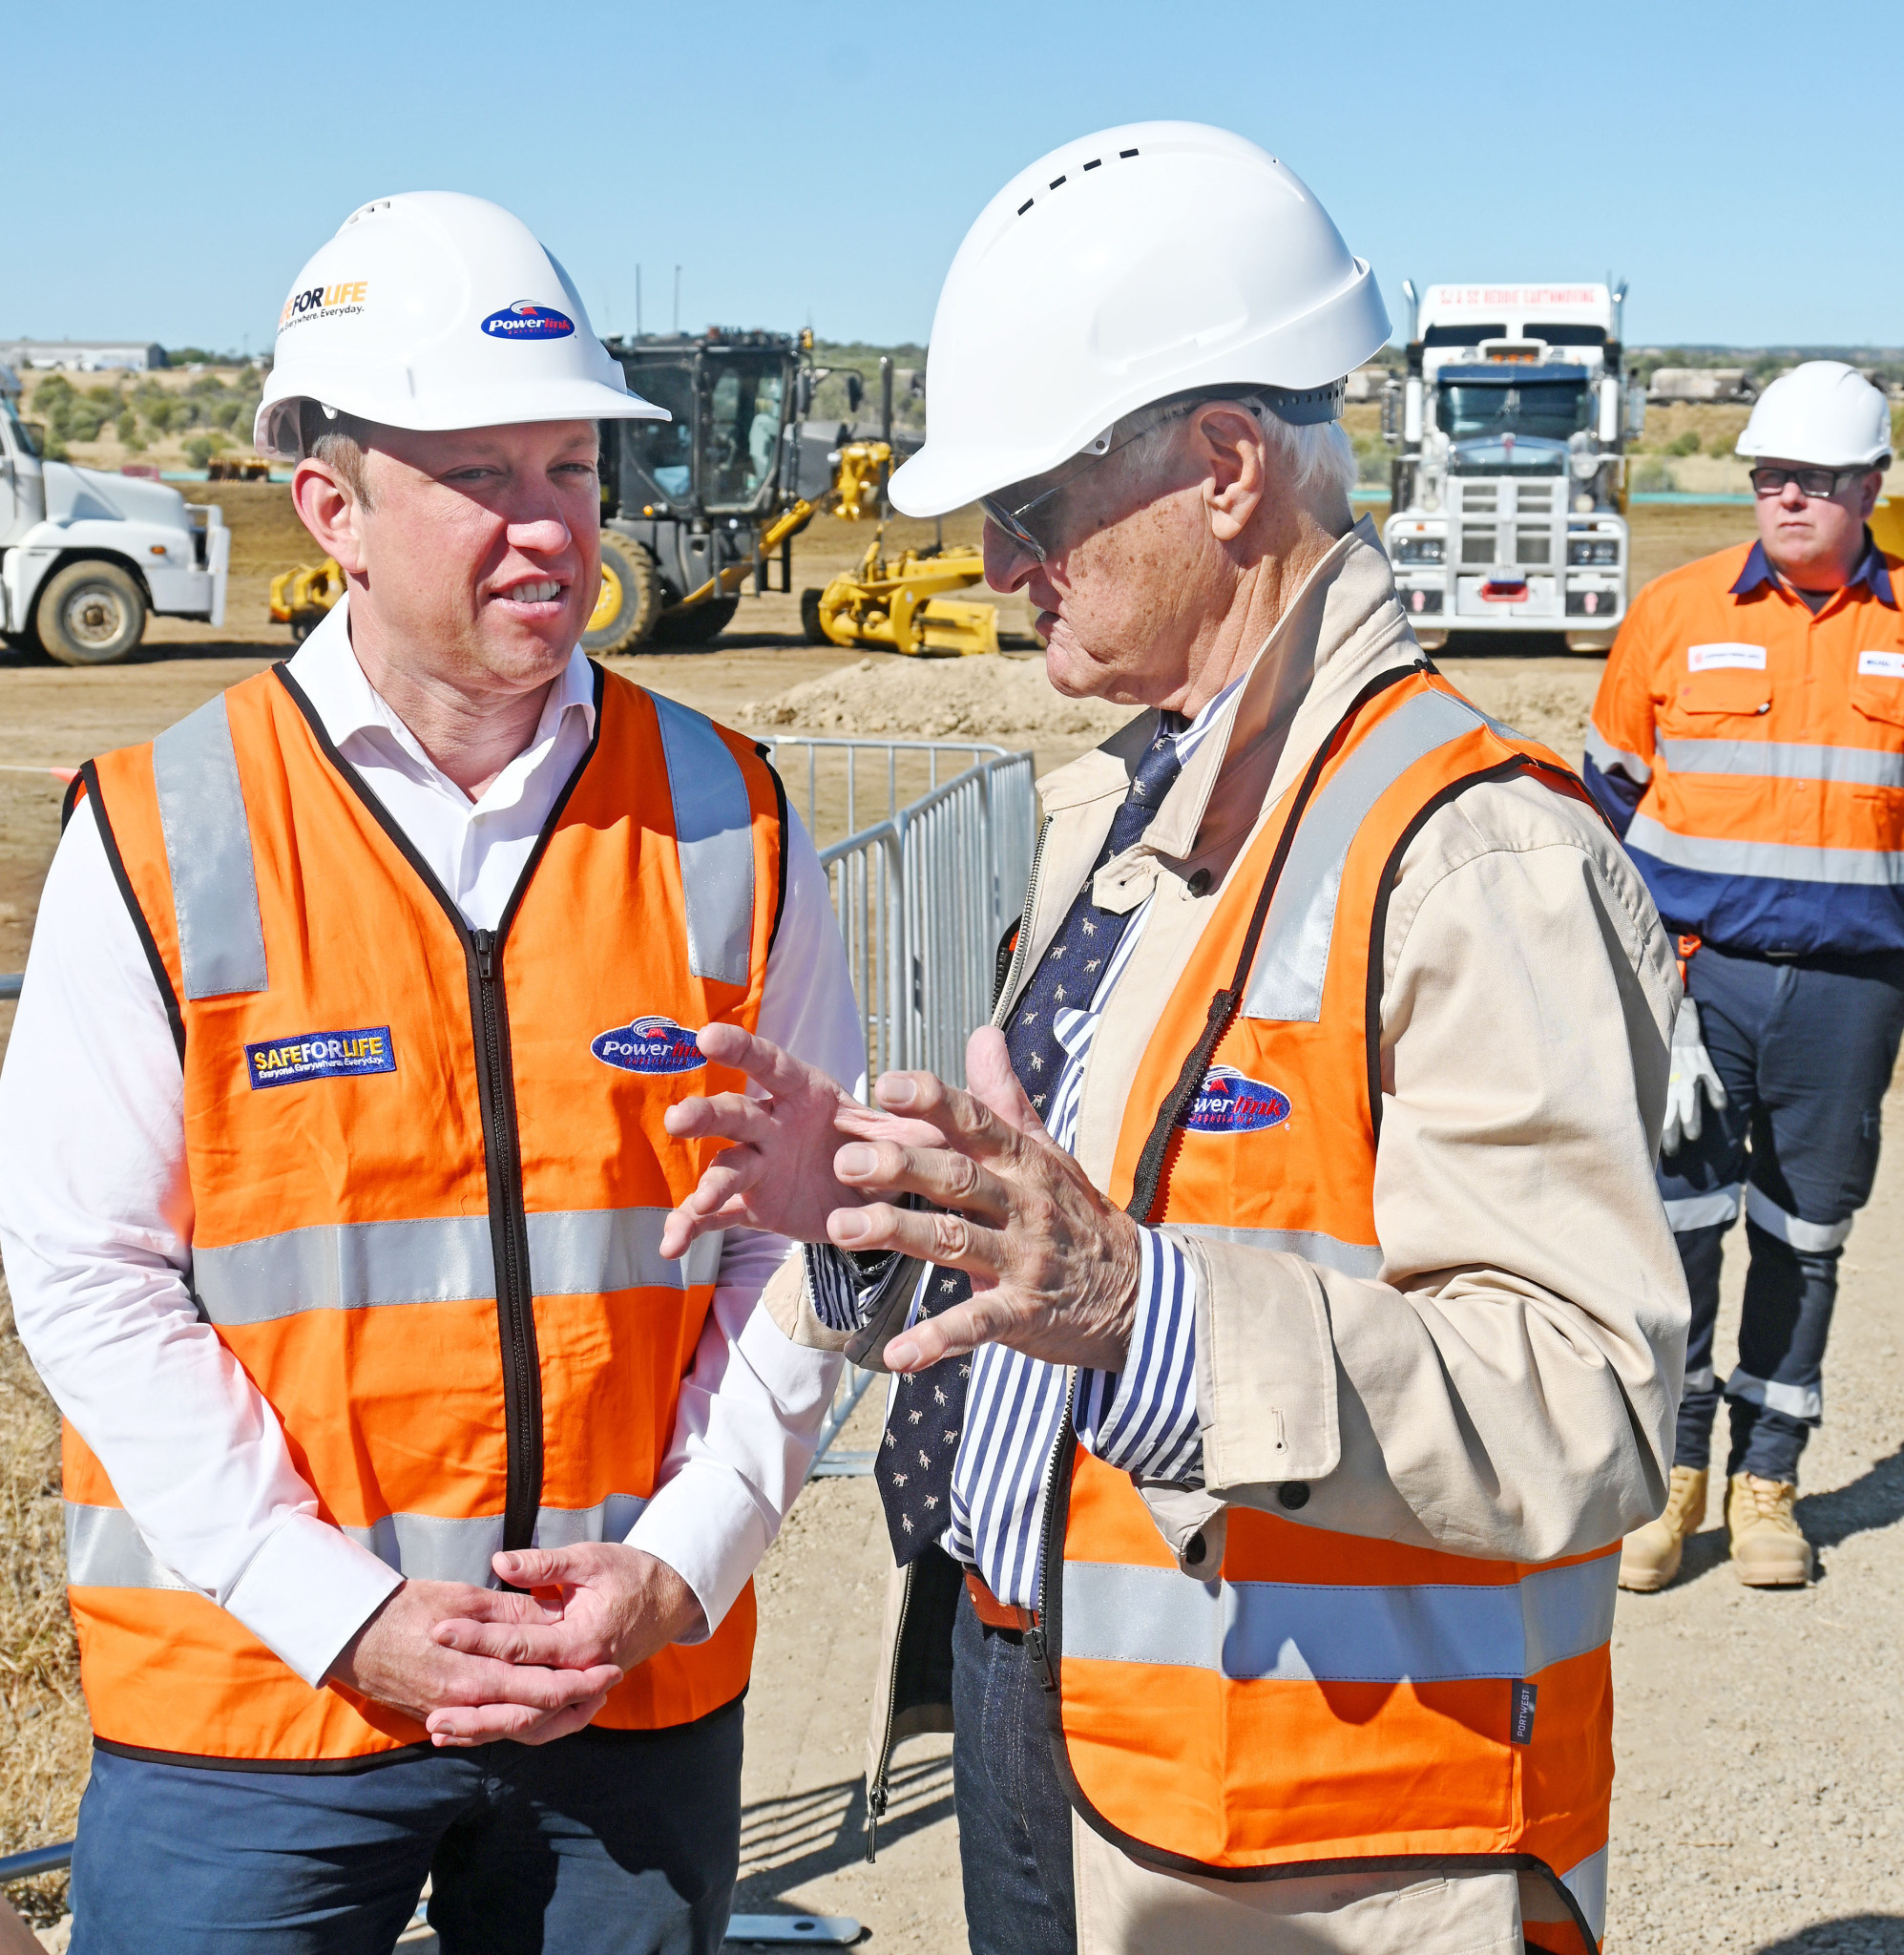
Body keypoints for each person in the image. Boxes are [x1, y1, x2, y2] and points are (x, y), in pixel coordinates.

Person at [654, 124, 1687, 1955]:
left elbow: (1588, 1402)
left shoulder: (1468, 850)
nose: (994, 561)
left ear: (1221, 471)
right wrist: (881, 1213)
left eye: (1035, 509)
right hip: (1057, 1719)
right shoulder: (1124, 816)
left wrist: (1150, 1308)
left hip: (1328, 1836)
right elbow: (1065, 1250)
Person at [0, 192, 861, 1954]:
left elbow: (804, 1242)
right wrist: (334, 1609)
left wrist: (685, 1559)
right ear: (333, 510)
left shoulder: (731, 817)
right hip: (260, 1714)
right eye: (485, 475)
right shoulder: (168, 835)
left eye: (573, 466)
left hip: (622, 1698)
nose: (551, 527)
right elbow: (87, 1279)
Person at [1585, 361, 1904, 1592]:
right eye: (1770, 477)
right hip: (1694, 984)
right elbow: (1607, 809)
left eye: (1816, 481)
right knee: (1676, 1239)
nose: (1787, 499)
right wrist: (1638, 988)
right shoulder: (1674, 613)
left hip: (1851, 998)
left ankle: (1770, 1480)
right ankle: (1675, 1477)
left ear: (1870, 486)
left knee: (1804, 1239)